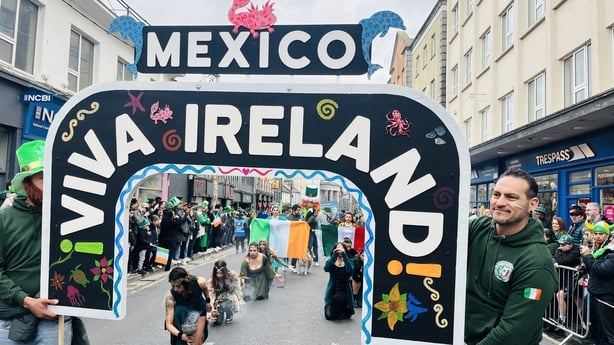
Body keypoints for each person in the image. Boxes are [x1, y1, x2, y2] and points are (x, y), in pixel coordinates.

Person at [465, 168, 558, 345]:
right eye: (496, 194)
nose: (500, 202)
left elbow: (512, 333)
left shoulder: (537, 264)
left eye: (511, 197)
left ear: (532, 204)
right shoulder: (480, 228)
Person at [0, 140, 80, 343]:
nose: (50, 183)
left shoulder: (67, 217)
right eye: (42, 177)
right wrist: (26, 301)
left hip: (56, 319)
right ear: (27, 183)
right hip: (11, 318)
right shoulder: (4, 219)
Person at [579, 221, 614, 345]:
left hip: (605, 296)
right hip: (595, 293)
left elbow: (602, 270)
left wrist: (588, 256)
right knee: (594, 328)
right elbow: (594, 268)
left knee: (606, 332)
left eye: (601, 234)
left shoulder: (610, 252)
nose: (598, 236)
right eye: (596, 233)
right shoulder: (599, 249)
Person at [164, 267, 210, 345]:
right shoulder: (171, 296)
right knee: (180, 309)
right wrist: (181, 335)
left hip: (199, 315)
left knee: (197, 342)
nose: (175, 289)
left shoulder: (200, 282)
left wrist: (208, 301)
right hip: (181, 325)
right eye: (173, 286)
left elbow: (205, 288)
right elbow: (169, 324)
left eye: (178, 286)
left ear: (185, 284)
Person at [553, 234, 581, 326]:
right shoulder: (562, 249)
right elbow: (554, 258)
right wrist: (556, 259)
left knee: (578, 302)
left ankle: (584, 324)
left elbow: (562, 261)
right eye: (560, 244)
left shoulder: (575, 251)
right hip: (567, 277)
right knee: (559, 295)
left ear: (570, 245)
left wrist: (557, 253)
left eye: (563, 245)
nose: (560, 247)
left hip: (575, 278)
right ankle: (562, 318)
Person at [323, 242, 355, 321]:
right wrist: (334, 256)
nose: (339, 250)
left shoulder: (349, 261)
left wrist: (344, 256)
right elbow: (326, 268)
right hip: (332, 291)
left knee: (339, 298)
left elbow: (350, 271)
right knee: (329, 316)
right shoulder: (331, 260)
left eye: (342, 248)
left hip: (344, 291)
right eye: (338, 248)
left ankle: (343, 309)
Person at [208, 260, 242, 326]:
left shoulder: (230, 277)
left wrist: (235, 277)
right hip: (217, 301)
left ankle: (229, 314)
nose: (219, 275)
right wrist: (212, 308)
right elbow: (211, 294)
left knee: (228, 300)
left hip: (229, 298)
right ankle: (219, 315)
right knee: (217, 322)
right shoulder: (212, 281)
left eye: (221, 273)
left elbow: (237, 286)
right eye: (217, 273)